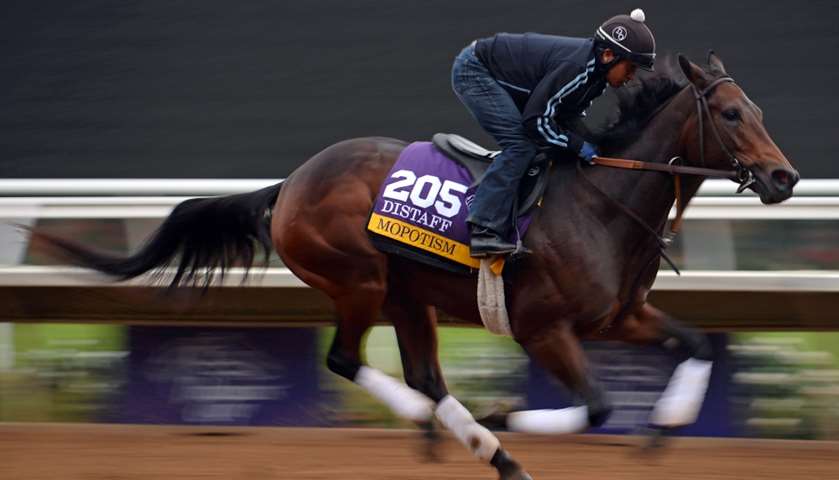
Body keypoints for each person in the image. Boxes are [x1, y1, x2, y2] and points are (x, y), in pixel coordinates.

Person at [451, 9, 657, 257]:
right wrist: (577, 145)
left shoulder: (597, 78)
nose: (631, 77)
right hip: (475, 70)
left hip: (508, 79)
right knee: (521, 146)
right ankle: (483, 229)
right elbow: (535, 121)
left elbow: (567, 119)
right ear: (608, 55)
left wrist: (589, 145)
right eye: (630, 68)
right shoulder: (577, 68)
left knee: (556, 144)